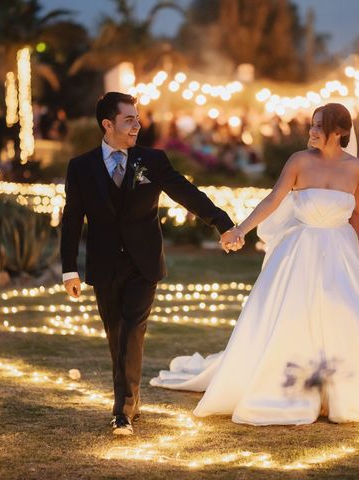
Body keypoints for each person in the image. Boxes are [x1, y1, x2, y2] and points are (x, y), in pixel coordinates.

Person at [152, 103, 359, 425]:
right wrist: (240, 229)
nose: (312, 132)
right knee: (293, 315)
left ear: (340, 132)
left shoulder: (357, 169)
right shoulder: (299, 161)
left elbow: (356, 214)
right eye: (312, 126)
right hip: (300, 251)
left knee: (345, 317)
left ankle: (341, 393)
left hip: (341, 251)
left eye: (319, 127)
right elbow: (274, 199)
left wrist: (355, 253)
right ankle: (291, 388)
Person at [60, 92, 237, 435]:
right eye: (129, 120)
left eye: (138, 119)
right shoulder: (80, 167)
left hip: (144, 263)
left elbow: (185, 192)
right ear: (107, 124)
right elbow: (72, 221)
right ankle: (132, 399)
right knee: (116, 336)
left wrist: (222, 222)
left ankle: (123, 410)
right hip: (104, 263)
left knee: (131, 331)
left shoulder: (151, 160)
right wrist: (70, 269)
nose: (137, 126)